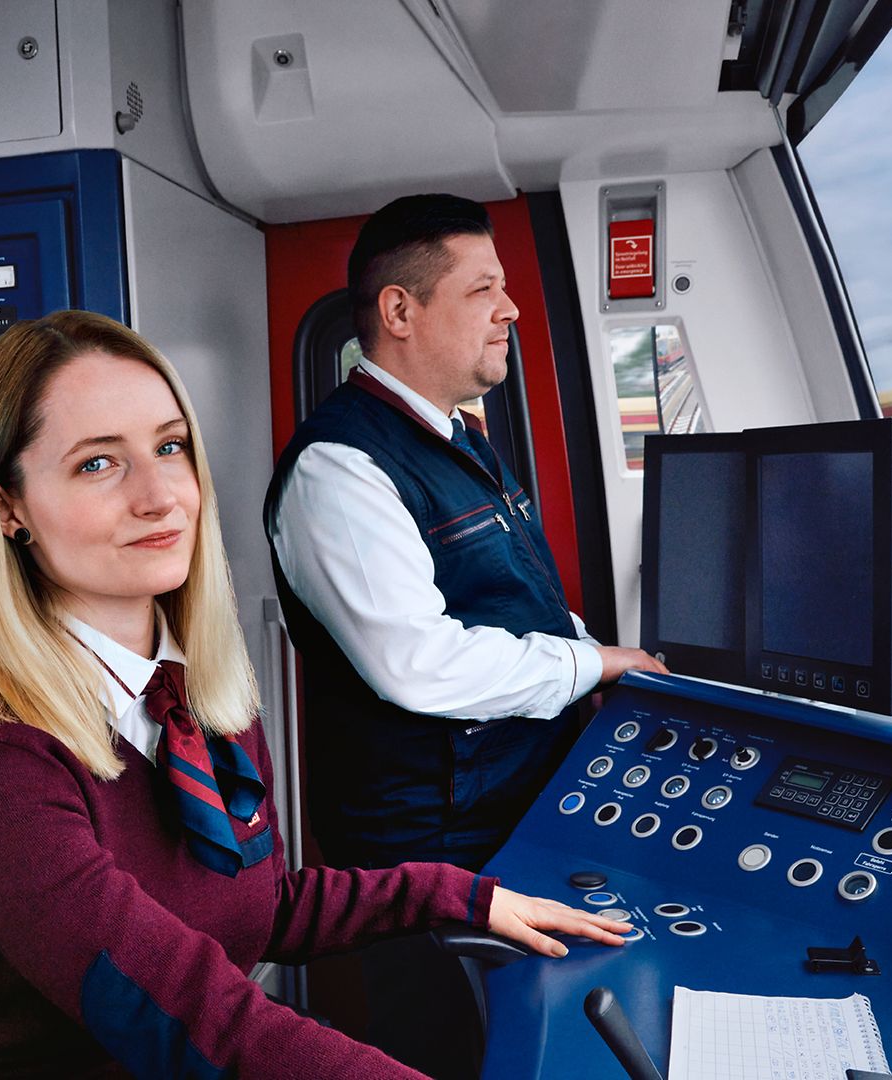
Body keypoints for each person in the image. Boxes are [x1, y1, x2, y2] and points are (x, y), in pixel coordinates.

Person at [0, 310, 630, 1080]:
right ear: (8, 508)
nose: (160, 497)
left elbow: (263, 907)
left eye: (170, 448)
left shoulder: (205, 702)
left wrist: (462, 897)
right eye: (97, 465)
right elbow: (180, 1006)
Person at [264, 196, 668, 1076]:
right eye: (483, 288)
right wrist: (584, 663)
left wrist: (603, 663)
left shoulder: (457, 439)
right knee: (460, 1057)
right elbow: (420, 665)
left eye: (509, 289)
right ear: (400, 312)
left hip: (510, 811)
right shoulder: (341, 468)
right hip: (435, 849)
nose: (512, 310)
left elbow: (518, 597)